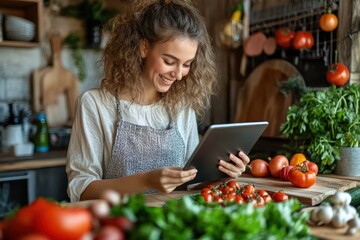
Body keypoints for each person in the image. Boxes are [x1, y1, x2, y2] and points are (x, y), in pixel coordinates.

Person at [66, 0, 250, 202]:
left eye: (187, 64)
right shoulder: (95, 104)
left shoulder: (181, 107)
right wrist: (146, 181)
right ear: (144, 48)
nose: (179, 74)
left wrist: (222, 174)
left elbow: (193, 183)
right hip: (118, 224)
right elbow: (81, 189)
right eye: (169, 61)